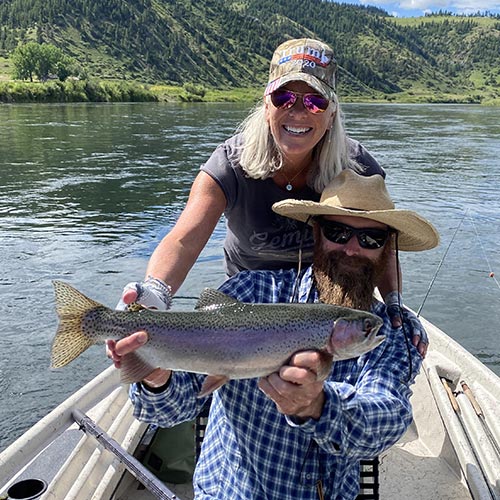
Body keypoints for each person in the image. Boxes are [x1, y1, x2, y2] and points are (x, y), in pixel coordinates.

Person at [108, 170, 440, 500]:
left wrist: (319, 406)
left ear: (386, 249)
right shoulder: (251, 292)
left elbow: (387, 419)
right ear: (316, 234)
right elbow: (165, 413)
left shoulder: (391, 331)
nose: (352, 249)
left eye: (371, 239)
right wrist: (156, 377)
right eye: (338, 232)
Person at [116, 37, 428, 353]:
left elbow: (379, 241)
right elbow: (184, 240)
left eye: (315, 102)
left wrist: (393, 303)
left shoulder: (358, 168)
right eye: (284, 98)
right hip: (247, 301)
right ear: (267, 106)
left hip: (327, 298)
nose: (298, 112)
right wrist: (155, 292)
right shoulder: (228, 165)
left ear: (332, 114)